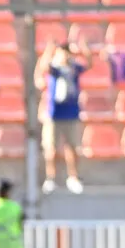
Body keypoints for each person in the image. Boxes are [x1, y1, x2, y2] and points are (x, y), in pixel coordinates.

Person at [36, 39, 91, 195]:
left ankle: (73, 177)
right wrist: (49, 50)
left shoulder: (73, 68)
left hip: (71, 113)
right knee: (51, 148)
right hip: (54, 114)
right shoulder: (55, 68)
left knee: (72, 147)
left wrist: (84, 50)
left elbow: (89, 64)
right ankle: (51, 178)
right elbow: (43, 67)